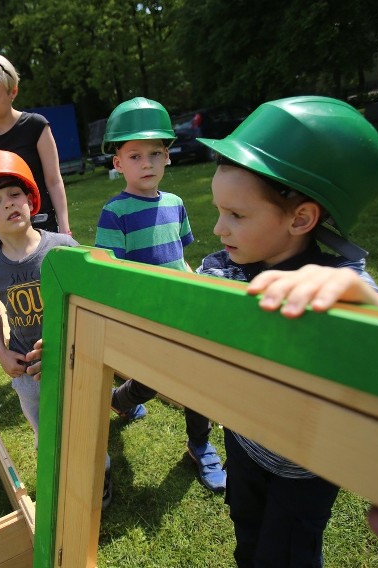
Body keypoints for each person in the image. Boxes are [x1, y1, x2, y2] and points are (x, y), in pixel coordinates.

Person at [195, 95, 378, 567]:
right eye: (218, 210)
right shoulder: (221, 270)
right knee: (248, 537)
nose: (218, 228)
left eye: (236, 215)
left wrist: (367, 300)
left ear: (300, 218)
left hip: (307, 466)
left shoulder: (337, 282)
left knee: (288, 555)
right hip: (245, 441)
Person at [0, 150, 119, 506]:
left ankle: (100, 474)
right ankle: (61, 478)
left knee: (87, 425)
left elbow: (95, 299)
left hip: (76, 361)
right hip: (28, 372)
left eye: (15, 194)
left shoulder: (62, 248)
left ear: (30, 200)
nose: (9, 204)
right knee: (47, 434)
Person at [94, 97, 226, 494]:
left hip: (181, 309)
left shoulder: (176, 204)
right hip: (144, 317)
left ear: (168, 157)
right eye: (135, 155)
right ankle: (122, 398)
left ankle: (200, 444)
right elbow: (111, 275)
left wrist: (193, 287)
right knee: (153, 379)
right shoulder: (114, 212)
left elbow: (178, 257)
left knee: (198, 379)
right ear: (118, 163)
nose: (147, 163)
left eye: (155, 153)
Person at [0, 52, 72, 255]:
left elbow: (54, 180)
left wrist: (65, 230)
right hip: (6, 233)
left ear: (12, 92)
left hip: (43, 225)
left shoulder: (35, 126)